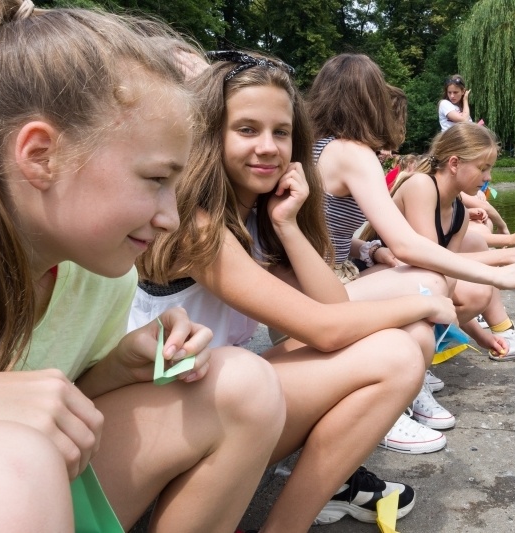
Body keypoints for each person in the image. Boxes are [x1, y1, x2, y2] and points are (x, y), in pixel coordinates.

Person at [0, 3, 285, 533]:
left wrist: (120, 366)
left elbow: (69, 403)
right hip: (14, 490)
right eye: (154, 179)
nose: (171, 218)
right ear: (41, 156)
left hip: (51, 487)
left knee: (242, 382)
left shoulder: (104, 276)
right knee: (15, 463)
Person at [132, 50, 457, 531]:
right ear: (209, 134)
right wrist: (425, 302)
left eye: (280, 132)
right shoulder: (194, 224)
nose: (267, 147)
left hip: (216, 400)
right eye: (246, 130)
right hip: (157, 420)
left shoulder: (255, 217)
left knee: (405, 345)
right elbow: (325, 329)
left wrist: (286, 225)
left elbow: (331, 305)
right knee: (396, 351)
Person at [381, 123, 515, 361]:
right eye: (483, 168)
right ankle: (408, 357)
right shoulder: (421, 186)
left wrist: (478, 335)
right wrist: (503, 257)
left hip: (412, 289)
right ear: (454, 164)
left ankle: (423, 351)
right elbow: (428, 263)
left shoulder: (459, 213)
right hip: (378, 279)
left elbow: (447, 277)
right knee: (463, 286)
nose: (488, 177)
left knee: (472, 280)